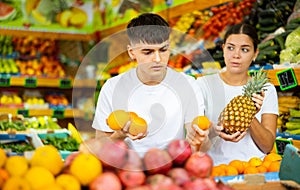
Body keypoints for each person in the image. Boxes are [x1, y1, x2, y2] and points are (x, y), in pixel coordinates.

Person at [92, 13, 207, 157]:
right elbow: (99, 145)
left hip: (173, 169)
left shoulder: (188, 85)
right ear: (132, 52)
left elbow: (197, 137)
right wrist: (120, 135)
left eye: (163, 50)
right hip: (128, 170)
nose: (157, 59)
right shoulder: (112, 87)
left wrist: (200, 138)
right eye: (148, 52)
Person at [195, 23, 279, 165]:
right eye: (230, 47)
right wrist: (215, 131)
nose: (236, 55)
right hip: (214, 167)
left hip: (253, 168)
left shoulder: (266, 90)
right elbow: (195, 140)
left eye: (245, 49)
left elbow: (267, 146)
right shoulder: (203, 85)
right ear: (223, 49)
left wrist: (249, 114)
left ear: (255, 54)